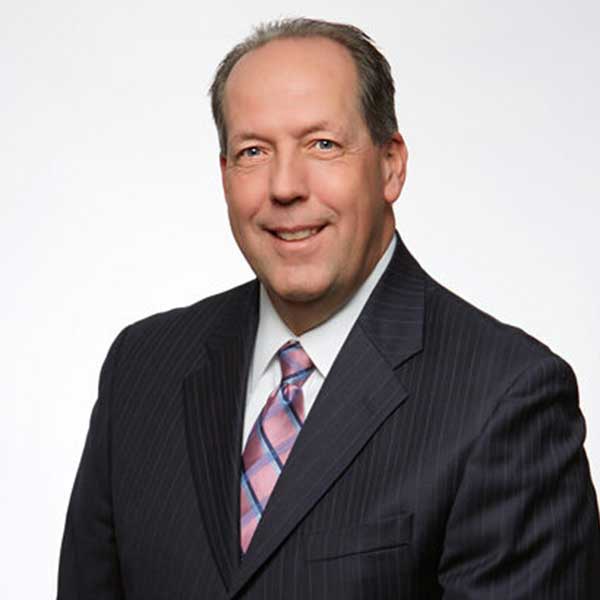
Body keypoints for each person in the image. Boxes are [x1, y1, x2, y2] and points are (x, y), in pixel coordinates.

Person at [57, 17, 600, 599]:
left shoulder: (506, 397)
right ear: (224, 176)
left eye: (322, 144)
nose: (285, 186)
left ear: (391, 165)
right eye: (253, 150)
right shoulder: (142, 368)